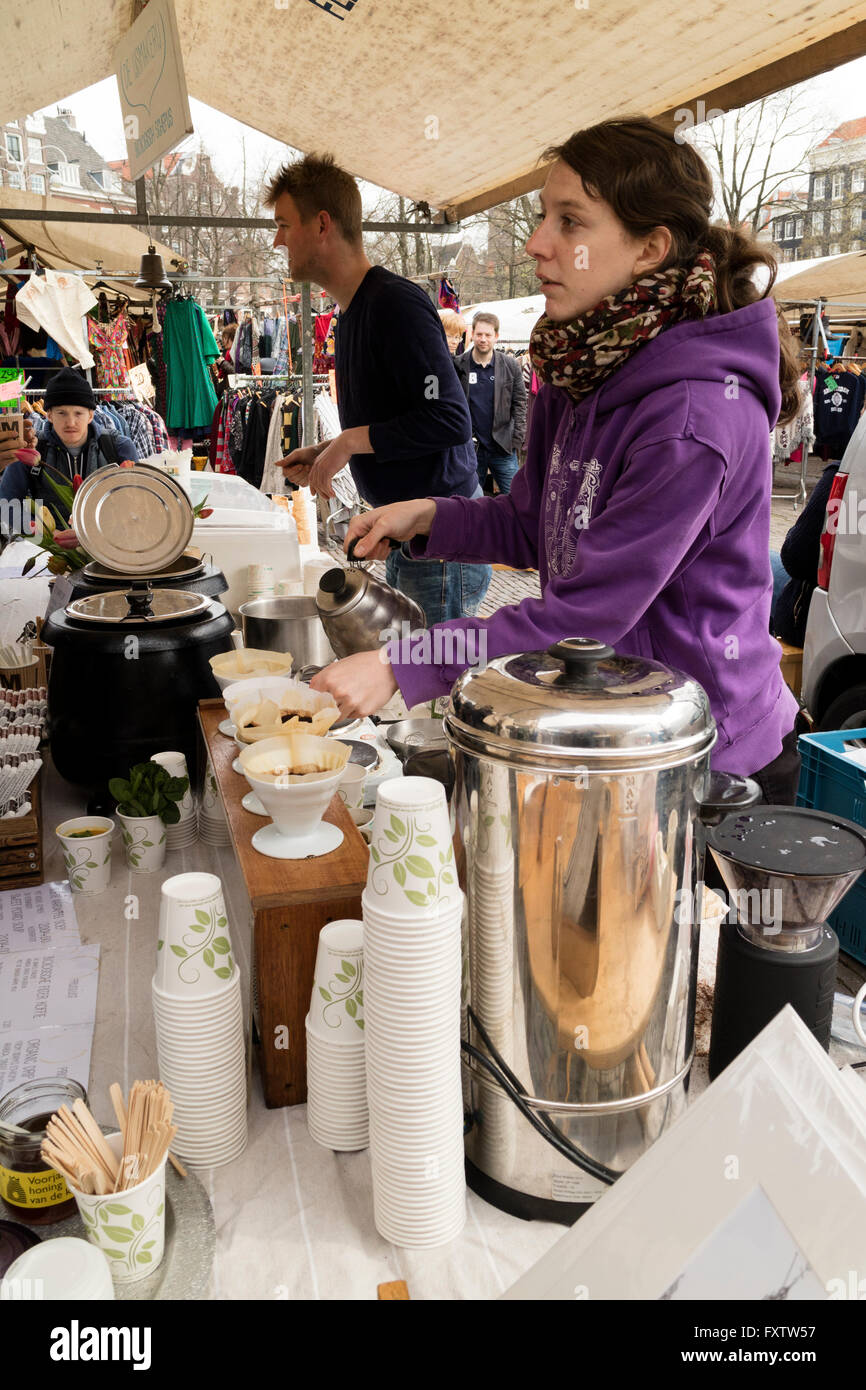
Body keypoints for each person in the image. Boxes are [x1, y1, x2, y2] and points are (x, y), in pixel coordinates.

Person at [310, 116, 803, 804]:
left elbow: (583, 615)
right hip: (612, 728)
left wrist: (406, 662)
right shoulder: (577, 367)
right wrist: (430, 515)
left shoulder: (693, 419)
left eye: (570, 222)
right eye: (543, 216)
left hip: (708, 758)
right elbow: (534, 523)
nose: (540, 244)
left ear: (649, 248)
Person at [263, 153, 491, 624]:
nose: (277, 239)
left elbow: (449, 419)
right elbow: (401, 417)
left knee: (440, 689)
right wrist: (328, 448)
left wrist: (348, 442)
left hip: (439, 547)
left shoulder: (395, 305)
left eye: (284, 224)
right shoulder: (352, 313)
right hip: (411, 541)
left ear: (322, 224)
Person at [0, 367, 137, 544]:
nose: (70, 422)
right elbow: (7, 505)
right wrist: (47, 535)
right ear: (48, 414)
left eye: (78, 413)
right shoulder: (32, 449)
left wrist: (98, 533)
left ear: (91, 415)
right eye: (61, 413)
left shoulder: (118, 447)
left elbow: (137, 502)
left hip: (107, 547)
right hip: (49, 553)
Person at [454, 312, 527, 495]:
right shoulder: (458, 365)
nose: (483, 339)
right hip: (471, 449)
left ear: (496, 337)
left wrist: (516, 440)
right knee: (469, 501)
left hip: (502, 447)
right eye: (479, 334)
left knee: (517, 498)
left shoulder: (510, 365)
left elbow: (520, 404)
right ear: (472, 335)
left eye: (488, 335)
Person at [771, 460, 840, 647]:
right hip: (848, 619)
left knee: (764, 561)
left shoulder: (847, 473)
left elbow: (796, 557)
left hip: (815, 623)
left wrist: (793, 532)